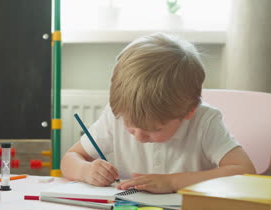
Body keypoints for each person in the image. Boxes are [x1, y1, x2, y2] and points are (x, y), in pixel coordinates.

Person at [61, 32, 256, 194]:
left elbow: (245, 172)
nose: (138, 135)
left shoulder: (204, 122)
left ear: (189, 111)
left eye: (154, 128)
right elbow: (70, 159)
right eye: (130, 125)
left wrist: (173, 182)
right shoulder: (115, 117)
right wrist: (86, 171)